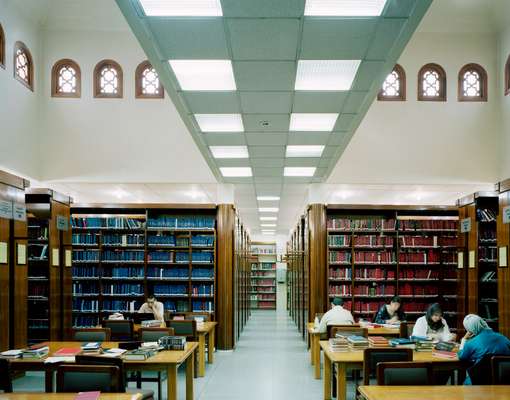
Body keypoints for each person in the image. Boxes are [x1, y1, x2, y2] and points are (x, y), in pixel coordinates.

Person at [458, 314, 510, 384]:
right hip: (504, 381)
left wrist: (464, 340)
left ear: (469, 330)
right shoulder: (504, 338)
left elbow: (461, 357)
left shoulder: (470, 343)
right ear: (483, 322)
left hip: (479, 382)